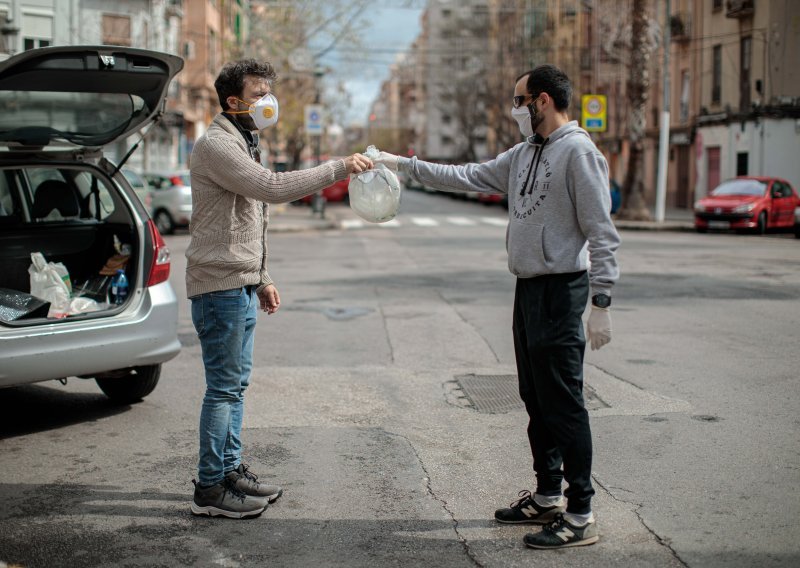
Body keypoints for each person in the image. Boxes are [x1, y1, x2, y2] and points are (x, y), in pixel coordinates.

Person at [375, 64, 620, 549]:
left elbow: (602, 232)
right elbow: (465, 175)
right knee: (534, 397)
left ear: (543, 101)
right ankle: (549, 494)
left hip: (561, 288)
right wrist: (399, 163)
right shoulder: (525, 153)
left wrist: (602, 301)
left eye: (519, 100)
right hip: (528, 289)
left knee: (564, 401)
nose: (515, 110)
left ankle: (581, 510)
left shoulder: (579, 152)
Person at [186, 58, 373, 519]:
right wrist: (338, 167)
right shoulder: (217, 145)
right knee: (223, 390)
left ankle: (229, 472)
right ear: (233, 101)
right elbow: (270, 189)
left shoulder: (244, 142)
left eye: (270, 91)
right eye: (258, 93)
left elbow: (250, 220)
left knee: (236, 386)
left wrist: (262, 277)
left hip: (241, 284)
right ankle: (210, 488)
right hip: (219, 287)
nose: (268, 101)